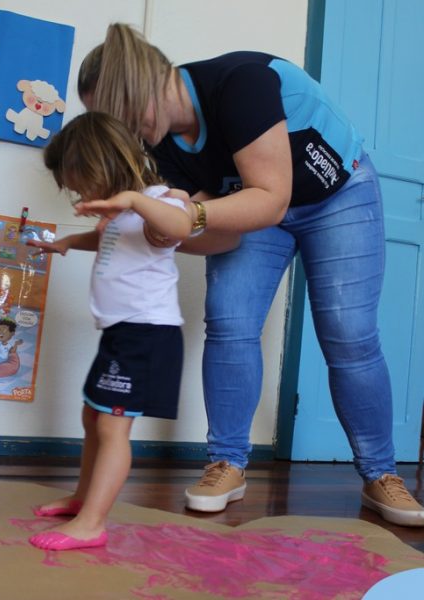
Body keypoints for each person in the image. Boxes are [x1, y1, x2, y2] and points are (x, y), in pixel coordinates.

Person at [75, 23, 424, 526]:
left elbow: (270, 199)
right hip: (253, 203)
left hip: (336, 196)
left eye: (119, 116)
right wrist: (166, 233)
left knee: (349, 334)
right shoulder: (160, 148)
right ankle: (226, 463)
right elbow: (224, 237)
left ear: (142, 86)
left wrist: (191, 215)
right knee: (229, 319)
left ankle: (380, 474)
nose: (122, 134)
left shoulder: (241, 83)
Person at [26, 111, 205, 551]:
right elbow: (116, 239)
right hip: (122, 333)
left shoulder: (160, 199)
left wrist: (133, 201)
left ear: (102, 165)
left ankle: (93, 523)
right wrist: (69, 242)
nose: (80, 195)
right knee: (93, 416)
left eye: (81, 184)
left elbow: (181, 226)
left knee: (112, 426)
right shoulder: (123, 212)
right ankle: (83, 499)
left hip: (148, 334)